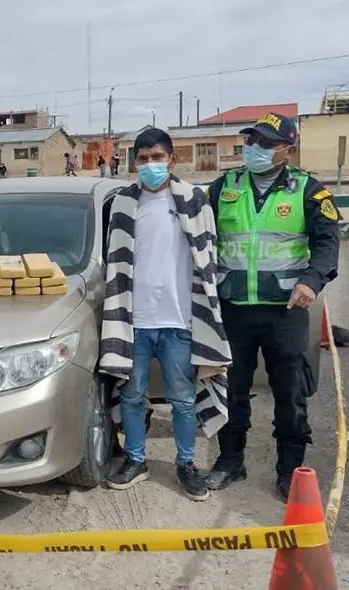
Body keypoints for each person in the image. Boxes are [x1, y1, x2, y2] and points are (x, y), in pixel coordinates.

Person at [203, 113, 341, 502]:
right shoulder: (224, 186)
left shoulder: (308, 191)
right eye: (251, 141)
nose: (255, 149)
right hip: (234, 307)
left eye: (265, 143)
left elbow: (328, 243)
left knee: (290, 391)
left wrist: (311, 280)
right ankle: (230, 461)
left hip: (285, 309)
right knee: (231, 389)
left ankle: (289, 471)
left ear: (287, 149)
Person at [100, 127, 232, 501]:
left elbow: (209, 257)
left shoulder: (194, 199)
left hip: (179, 319)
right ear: (134, 163)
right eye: (142, 159)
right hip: (134, 320)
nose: (150, 165)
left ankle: (186, 464)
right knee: (131, 395)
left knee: (183, 399)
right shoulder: (124, 203)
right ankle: (136, 459)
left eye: (157, 158)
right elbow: (114, 262)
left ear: (172, 159)